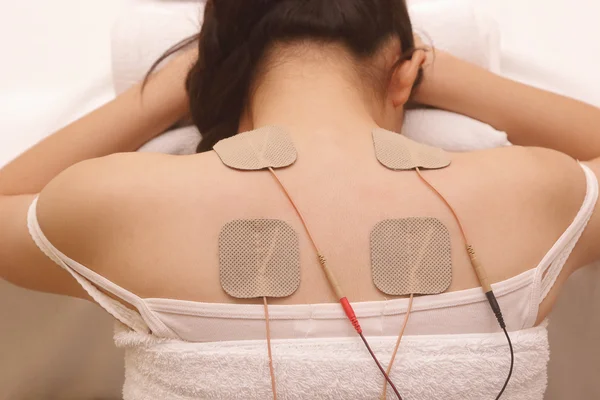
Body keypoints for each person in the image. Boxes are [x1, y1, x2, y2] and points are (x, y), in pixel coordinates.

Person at [1, 0, 598, 398]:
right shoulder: (536, 194)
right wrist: (444, 74)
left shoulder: (120, 204)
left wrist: (167, 93)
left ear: (215, 84)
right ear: (402, 75)